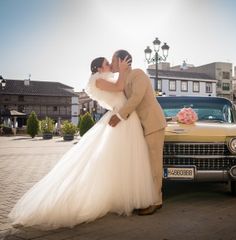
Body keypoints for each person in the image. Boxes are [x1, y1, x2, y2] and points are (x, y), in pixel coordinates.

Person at [8, 56, 157, 230]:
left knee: (124, 159)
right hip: (120, 119)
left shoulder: (104, 79)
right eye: (107, 64)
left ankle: (125, 197)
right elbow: (119, 87)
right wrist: (123, 69)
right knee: (119, 157)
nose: (110, 65)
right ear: (98, 68)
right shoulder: (98, 80)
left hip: (125, 118)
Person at [107, 50, 166, 215]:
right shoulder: (124, 79)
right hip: (140, 126)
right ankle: (146, 197)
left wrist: (119, 116)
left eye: (113, 60)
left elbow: (137, 97)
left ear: (121, 60)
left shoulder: (138, 74)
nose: (111, 63)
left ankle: (156, 201)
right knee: (146, 165)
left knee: (154, 164)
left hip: (153, 123)